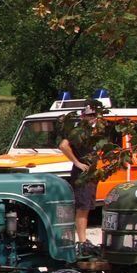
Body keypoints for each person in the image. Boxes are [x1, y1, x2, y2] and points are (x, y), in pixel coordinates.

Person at [58, 106, 99, 255]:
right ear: (83, 116)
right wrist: (77, 162)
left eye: (94, 114)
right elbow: (63, 145)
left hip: (91, 173)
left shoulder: (93, 132)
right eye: (89, 115)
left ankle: (84, 241)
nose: (92, 117)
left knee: (87, 207)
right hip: (82, 173)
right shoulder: (78, 131)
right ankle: (82, 242)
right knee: (82, 207)